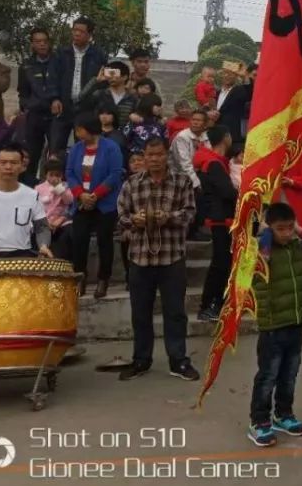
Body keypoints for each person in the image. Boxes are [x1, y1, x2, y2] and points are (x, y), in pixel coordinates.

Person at [116, 137, 198, 381]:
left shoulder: (182, 182)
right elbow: (121, 216)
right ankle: (141, 359)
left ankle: (178, 360)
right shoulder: (132, 184)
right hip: (140, 259)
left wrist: (168, 217)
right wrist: (135, 220)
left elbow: (190, 214)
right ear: (144, 157)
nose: (154, 159)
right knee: (140, 313)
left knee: (175, 312)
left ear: (166, 155)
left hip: (172, 257)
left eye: (159, 154)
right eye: (149, 155)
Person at [246, 202, 302, 447]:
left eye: (289, 227)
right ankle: (259, 421)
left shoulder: (297, 246)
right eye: (280, 229)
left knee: (289, 373)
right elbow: (263, 253)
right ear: (269, 228)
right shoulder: (259, 250)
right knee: (268, 375)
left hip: (296, 320)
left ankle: (283, 414)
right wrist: (266, 231)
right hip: (273, 324)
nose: (286, 233)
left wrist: (299, 229)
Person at [65, 114, 124, 298]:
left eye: (80, 129)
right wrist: (80, 194)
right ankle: (80, 277)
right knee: (79, 240)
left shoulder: (111, 148)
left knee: (104, 241)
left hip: (104, 203)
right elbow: (69, 172)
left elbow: (115, 174)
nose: (77, 133)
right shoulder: (76, 149)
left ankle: (103, 279)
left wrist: (95, 195)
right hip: (81, 202)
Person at [194, 125, 238, 321]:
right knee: (220, 264)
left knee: (223, 262)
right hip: (221, 218)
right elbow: (227, 192)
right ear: (225, 138)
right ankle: (209, 305)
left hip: (221, 217)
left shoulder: (215, 162)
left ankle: (217, 303)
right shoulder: (213, 164)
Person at [52, 16, 109, 153]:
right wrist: (55, 98)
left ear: (89, 35)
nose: (76, 34)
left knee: (84, 148)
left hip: (86, 109)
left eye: (81, 31)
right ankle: (55, 174)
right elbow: (53, 77)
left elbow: (102, 83)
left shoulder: (98, 55)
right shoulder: (61, 53)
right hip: (63, 108)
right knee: (56, 147)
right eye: (74, 30)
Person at [18, 27, 61, 176]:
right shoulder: (26, 65)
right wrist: (26, 107)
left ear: (49, 43)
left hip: (56, 115)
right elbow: (22, 92)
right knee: (31, 155)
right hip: (34, 115)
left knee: (55, 155)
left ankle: (52, 192)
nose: (42, 44)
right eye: (38, 41)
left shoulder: (59, 61)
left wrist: (58, 100)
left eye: (44, 41)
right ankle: (29, 187)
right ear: (32, 44)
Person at [79, 60, 137, 130]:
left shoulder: (132, 98)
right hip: (101, 135)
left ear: (125, 77)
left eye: (114, 73)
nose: (111, 77)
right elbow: (81, 97)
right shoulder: (100, 94)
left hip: (124, 137)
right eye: (109, 74)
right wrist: (96, 80)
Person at [35, 159, 74, 260]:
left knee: (69, 232)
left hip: (62, 221)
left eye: (57, 175)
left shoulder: (66, 186)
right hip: (45, 221)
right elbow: (36, 207)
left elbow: (69, 201)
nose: (54, 178)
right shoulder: (39, 188)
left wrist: (59, 188)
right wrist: (46, 221)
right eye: (51, 175)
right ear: (46, 175)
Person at [169, 109, 211, 191]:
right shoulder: (182, 137)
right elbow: (185, 165)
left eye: (198, 120)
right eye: (193, 120)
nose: (195, 123)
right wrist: (198, 184)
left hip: (199, 173)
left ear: (205, 124)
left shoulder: (205, 136)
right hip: (179, 177)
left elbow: (209, 157)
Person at [212, 64, 252, 143]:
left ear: (236, 76)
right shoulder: (216, 93)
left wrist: (245, 77)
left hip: (233, 135)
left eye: (231, 74)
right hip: (216, 135)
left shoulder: (239, 90)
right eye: (225, 73)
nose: (227, 76)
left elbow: (249, 93)